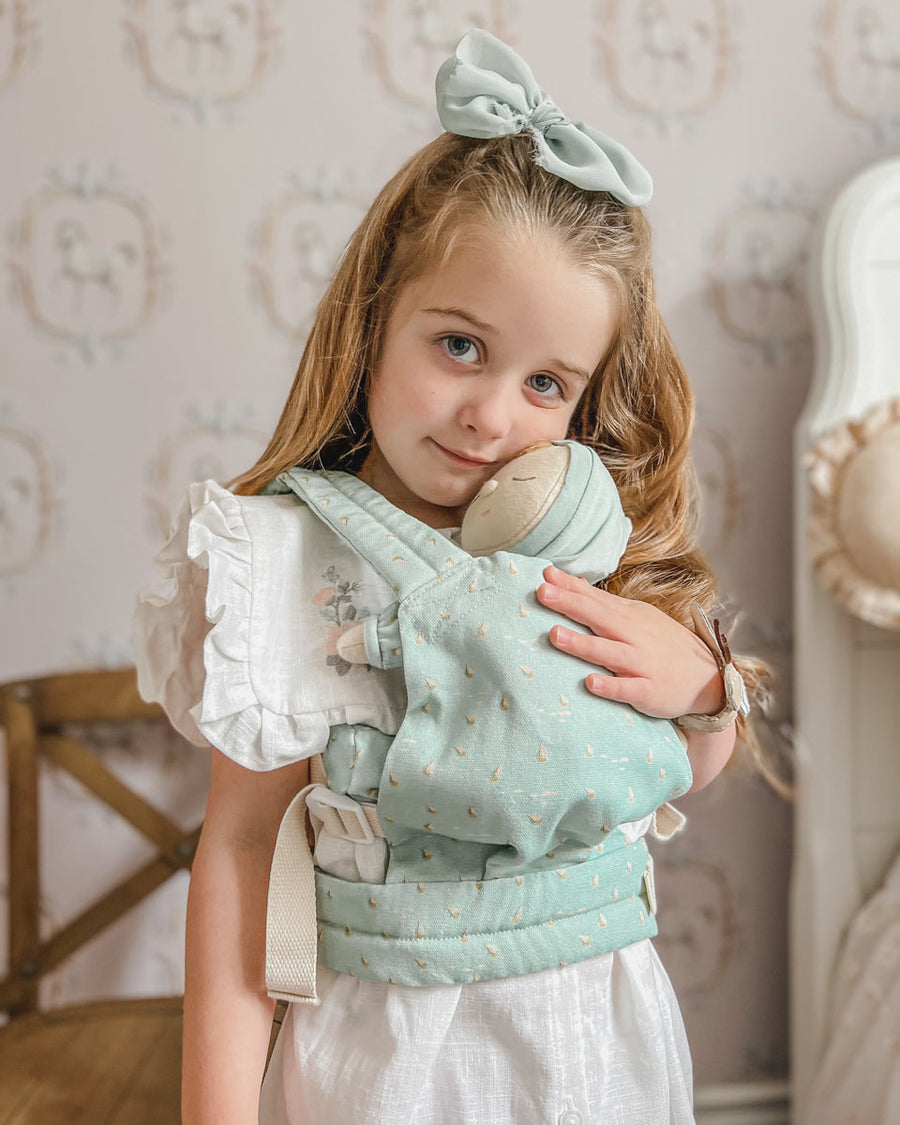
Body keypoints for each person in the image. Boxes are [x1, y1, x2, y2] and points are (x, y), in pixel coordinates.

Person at [134, 28, 769, 1125]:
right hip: (391, 1061)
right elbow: (240, 851)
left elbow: (673, 772)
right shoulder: (286, 564)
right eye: (461, 346)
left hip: (598, 1051)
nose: (489, 415)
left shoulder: (594, 556)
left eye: (545, 383)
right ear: (377, 315)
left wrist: (705, 688)